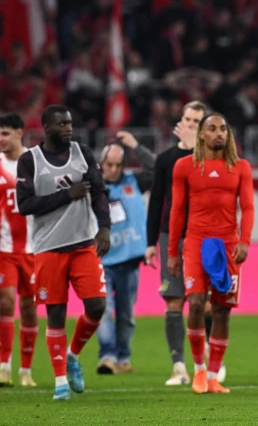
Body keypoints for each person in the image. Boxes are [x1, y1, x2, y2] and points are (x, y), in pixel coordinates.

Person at [16, 104, 111, 401]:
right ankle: (60, 383)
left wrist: (104, 227)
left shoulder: (82, 152)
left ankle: (73, 355)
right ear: (46, 128)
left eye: (70, 123)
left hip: (83, 244)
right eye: (61, 124)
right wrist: (65, 195)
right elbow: (25, 204)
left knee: (97, 306)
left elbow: (98, 191)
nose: (68, 128)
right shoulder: (30, 160)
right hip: (48, 248)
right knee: (55, 314)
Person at [168, 113, 254, 395]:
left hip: (228, 245)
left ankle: (215, 376)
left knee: (222, 310)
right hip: (195, 242)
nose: (219, 133)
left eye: (223, 129)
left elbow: (249, 207)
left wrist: (244, 241)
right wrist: (172, 251)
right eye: (212, 128)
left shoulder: (241, 167)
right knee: (194, 304)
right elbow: (177, 209)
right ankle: (199, 371)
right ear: (201, 135)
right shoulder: (184, 166)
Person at [145, 101, 215, 386]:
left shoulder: (215, 158)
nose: (188, 124)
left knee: (206, 303)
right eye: (186, 118)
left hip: (206, 235)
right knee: (174, 300)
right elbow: (158, 201)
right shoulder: (165, 159)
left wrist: (191, 152)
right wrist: (151, 242)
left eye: (196, 121)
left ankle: (209, 358)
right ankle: (178, 367)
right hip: (171, 237)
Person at [96, 131, 156, 374]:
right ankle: (107, 355)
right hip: (100, 260)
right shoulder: (93, 188)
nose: (113, 169)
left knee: (126, 314)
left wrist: (136, 145)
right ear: (101, 164)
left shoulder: (133, 181)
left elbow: (157, 168)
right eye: (109, 164)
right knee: (102, 309)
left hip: (129, 259)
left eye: (118, 165)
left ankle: (122, 357)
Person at [0, 113, 38, 387]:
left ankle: (26, 371)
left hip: (34, 248)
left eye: (5, 133)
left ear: (20, 133)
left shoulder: (35, 162)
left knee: (29, 307)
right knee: (5, 302)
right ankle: (4, 366)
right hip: (4, 247)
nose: (1, 139)